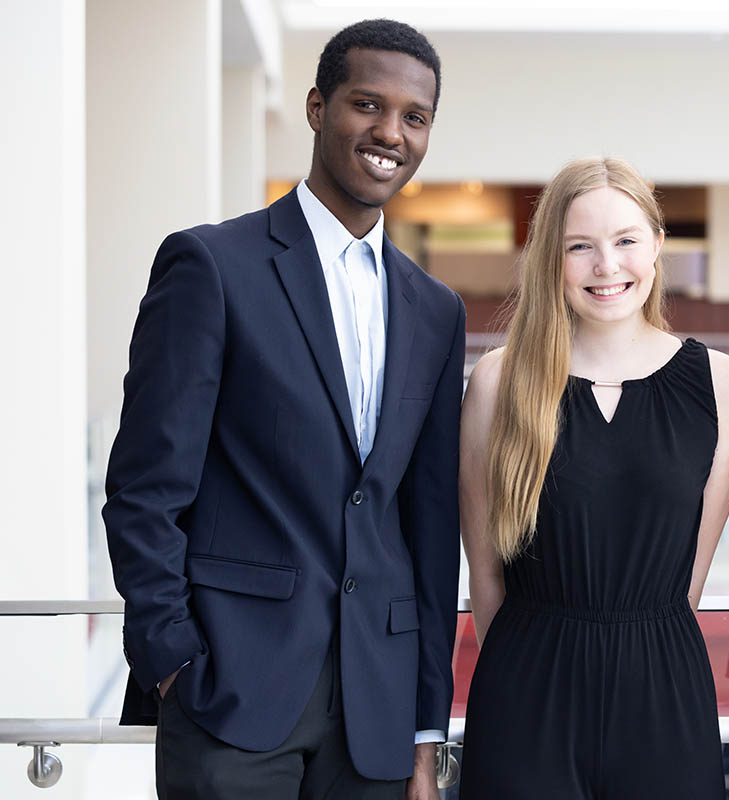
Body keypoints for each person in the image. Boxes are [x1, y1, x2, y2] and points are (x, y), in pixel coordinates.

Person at [103, 19, 464, 799]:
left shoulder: (436, 310)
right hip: (230, 697)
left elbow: (432, 529)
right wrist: (172, 660)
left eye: (415, 116)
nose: (389, 133)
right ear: (316, 107)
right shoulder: (212, 266)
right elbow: (144, 486)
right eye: (367, 104)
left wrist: (426, 728)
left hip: (377, 707)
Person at [456, 156, 729, 798]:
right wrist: (531, 673)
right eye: (580, 246)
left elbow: (690, 577)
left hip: (663, 690)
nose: (606, 265)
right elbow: (485, 572)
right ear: (550, 260)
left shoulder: (720, 384)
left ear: (656, 246)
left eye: (624, 241)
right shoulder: (500, 381)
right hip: (525, 692)